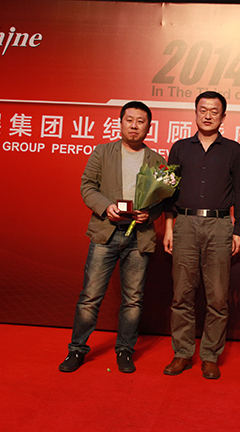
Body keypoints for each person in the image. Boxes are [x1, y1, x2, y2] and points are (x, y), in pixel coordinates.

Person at [59, 101, 166, 374]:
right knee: (90, 296)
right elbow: (87, 186)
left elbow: (163, 200)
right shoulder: (102, 152)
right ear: (120, 123)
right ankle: (77, 349)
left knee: (133, 299)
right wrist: (106, 207)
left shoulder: (157, 161)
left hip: (138, 237)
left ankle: (125, 350)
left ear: (148, 127)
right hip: (105, 233)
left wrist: (150, 214)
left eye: (140, 121)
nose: (134, 126)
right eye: (129, 120)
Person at [162, 91, 240, 380]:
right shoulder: (180, 148)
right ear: (195, 112)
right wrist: (169, 227)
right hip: (185, 224)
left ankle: (210, 356)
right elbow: (169, 190)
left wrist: (239, 229)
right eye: (203, 110)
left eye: (214, 111)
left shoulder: (234, 150)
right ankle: (182, 353)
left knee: (218, 297)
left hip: (219, 225)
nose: (208, 115)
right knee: (181, 295)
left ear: (223, 116)